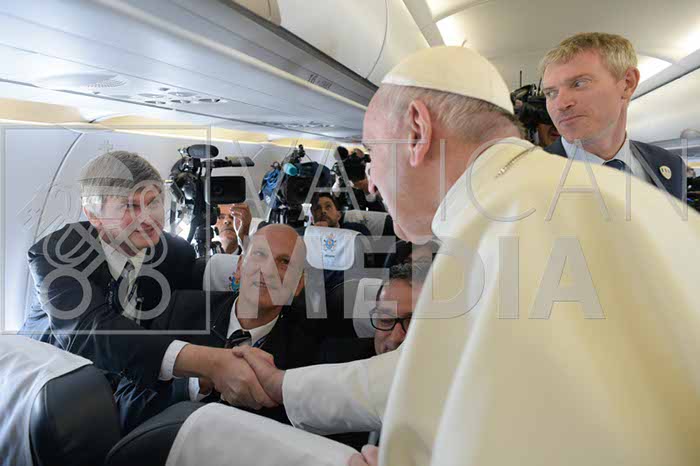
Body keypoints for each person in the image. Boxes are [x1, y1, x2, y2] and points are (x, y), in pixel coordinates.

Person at [169, 46, 700, 466]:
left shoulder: (515, 221)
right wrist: (284, 386)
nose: (371, 179)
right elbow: (436, 373)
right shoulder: (534, 201)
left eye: (374, 154)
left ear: (418, 132)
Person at [19, 151, 277, 432]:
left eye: (153, 202)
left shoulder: (173, 251)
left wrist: (257, 264)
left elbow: (204, 274)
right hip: (44, 389)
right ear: (94, 214)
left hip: (121, 389)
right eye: (130, 206)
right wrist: (210, 363)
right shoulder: (58, 253)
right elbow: (90, 331)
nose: (147, 218)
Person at [120, 223, 312, 430]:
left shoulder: (309, 357)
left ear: (299, 284)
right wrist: (199, 381)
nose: (268, 270)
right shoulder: (179, 312)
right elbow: (126, 405)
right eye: (259, 254)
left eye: (284, 262)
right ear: (239, 267)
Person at [541, 32, 687, 200]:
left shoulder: (671, 165)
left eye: (578, 84)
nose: (560, 104)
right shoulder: (526, 175)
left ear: (627, 84)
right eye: (551, 93)